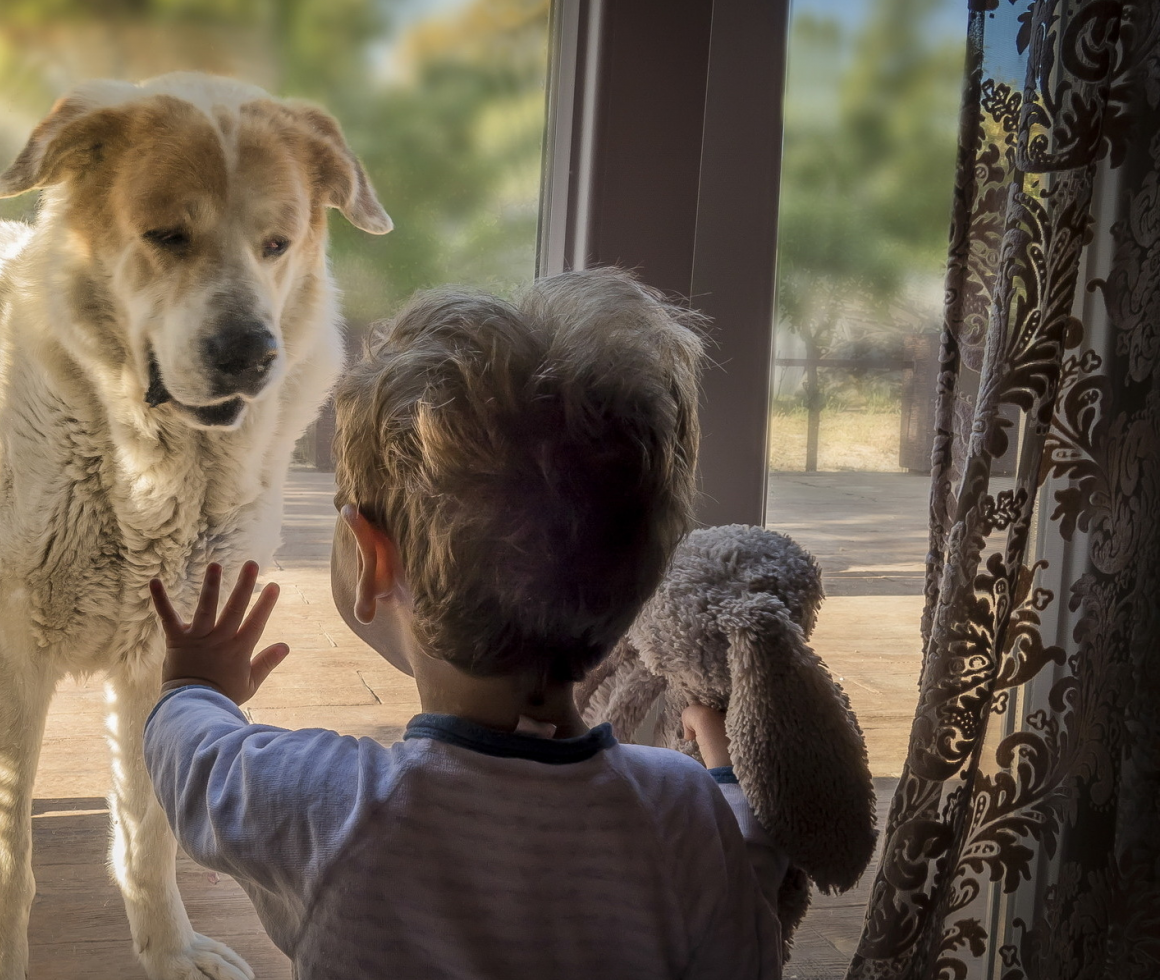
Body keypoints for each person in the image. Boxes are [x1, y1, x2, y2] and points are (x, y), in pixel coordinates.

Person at [143, 270, 785, 979]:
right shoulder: (679, 814)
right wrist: (723, 779)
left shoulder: (326, 807)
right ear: (639, 582)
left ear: (373, 559)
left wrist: (196, 684)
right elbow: (743, 917)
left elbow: (193, 764)